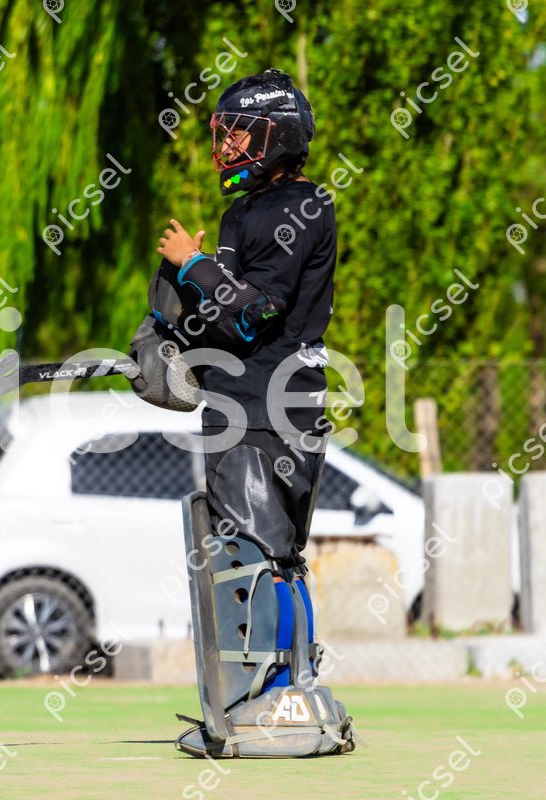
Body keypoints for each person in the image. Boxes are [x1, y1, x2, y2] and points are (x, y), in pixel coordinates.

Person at [152, 67, 355, 758]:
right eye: (225, 132)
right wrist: (173, 337)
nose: (227, 145)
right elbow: (232, 320)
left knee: (254, 555)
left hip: (263, 408)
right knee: (280, 556)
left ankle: (269, 700)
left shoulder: (291, 209)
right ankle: (290, 691)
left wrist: (193, 265)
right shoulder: (259, 211)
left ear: (278, 136)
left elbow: (254, 314)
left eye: (240, 133)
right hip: (270, 401)